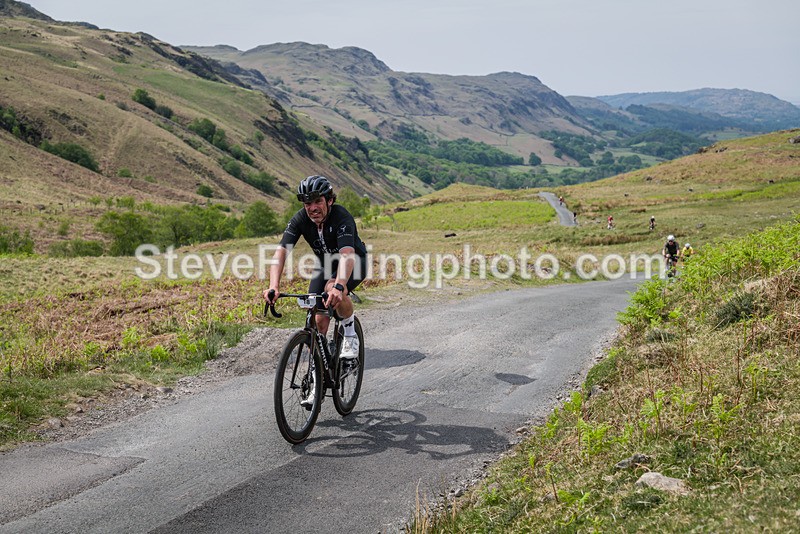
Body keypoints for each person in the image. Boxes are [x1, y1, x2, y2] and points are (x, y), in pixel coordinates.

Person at [264, 175, 368, 361]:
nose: (312, 208)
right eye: (307, 203)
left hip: (354, 262)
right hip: (325, 265)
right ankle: (319, 373)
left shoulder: (341, 217)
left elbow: (347, 255)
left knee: (332, 288)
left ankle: (350, 331)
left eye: (317, 201)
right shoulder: (300, 219)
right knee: (317, 319)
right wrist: (274, 286)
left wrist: (338, 286)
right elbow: (280, 253)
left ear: (329, 200)